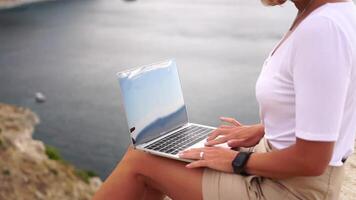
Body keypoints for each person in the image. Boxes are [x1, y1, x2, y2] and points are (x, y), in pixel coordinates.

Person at [93, 0, 356, 199]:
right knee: (153, 149)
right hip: (284, 169)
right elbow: (332, 102)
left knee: (140, 160)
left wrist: (235, 161)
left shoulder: (322, 29)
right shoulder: (335, 12)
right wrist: (266, 129)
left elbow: (311, 160)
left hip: (287, 189)